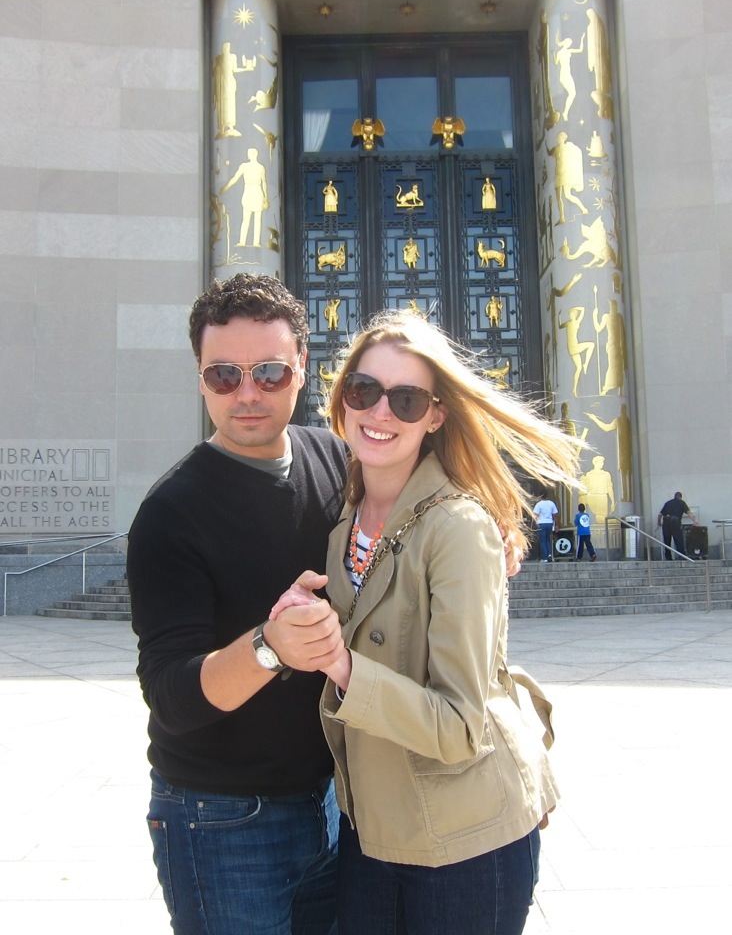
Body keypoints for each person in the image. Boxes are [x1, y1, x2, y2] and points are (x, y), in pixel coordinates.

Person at [270, 310, 582, 935]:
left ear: (436, 415)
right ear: (342, 399)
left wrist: (339, 664)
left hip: (466, 843)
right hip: (371, 836)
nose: (380, 413)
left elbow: (462, 725)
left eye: (406, 399)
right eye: (364, 391)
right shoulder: (343, 531)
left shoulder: (458, 528)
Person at [127, 273, 350, 935]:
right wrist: (269, 647)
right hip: (219, 818)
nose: (246, 394)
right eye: (224, 375)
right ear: (200, 378)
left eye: (269, 373)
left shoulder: (335, 459)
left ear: (302, 369)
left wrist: (494, 527)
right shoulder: (170, 515)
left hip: (333, 800)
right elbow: (170, 695)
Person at [657, 491, 699, 560]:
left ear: (674, 496)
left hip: (666, 521)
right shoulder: (682, 503)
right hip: (675, 521)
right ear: (680, 497)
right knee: (678, 540)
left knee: (667, 541)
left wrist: (659, 523)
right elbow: (689, 513)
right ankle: (682, 556)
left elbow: (660, 515)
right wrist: (695, 521)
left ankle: (668, 558)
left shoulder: (668, 503)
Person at [534, 490, 559, 562]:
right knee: (548, 539)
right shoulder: (551, 503)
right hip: (549, 523)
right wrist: (556, 525)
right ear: (547, 496)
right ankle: (549, 555)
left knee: (542, 541)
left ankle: (544, 558)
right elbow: (555, 515)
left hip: (541, 523)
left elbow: (536, 515)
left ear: (540, 496)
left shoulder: (538, 504)